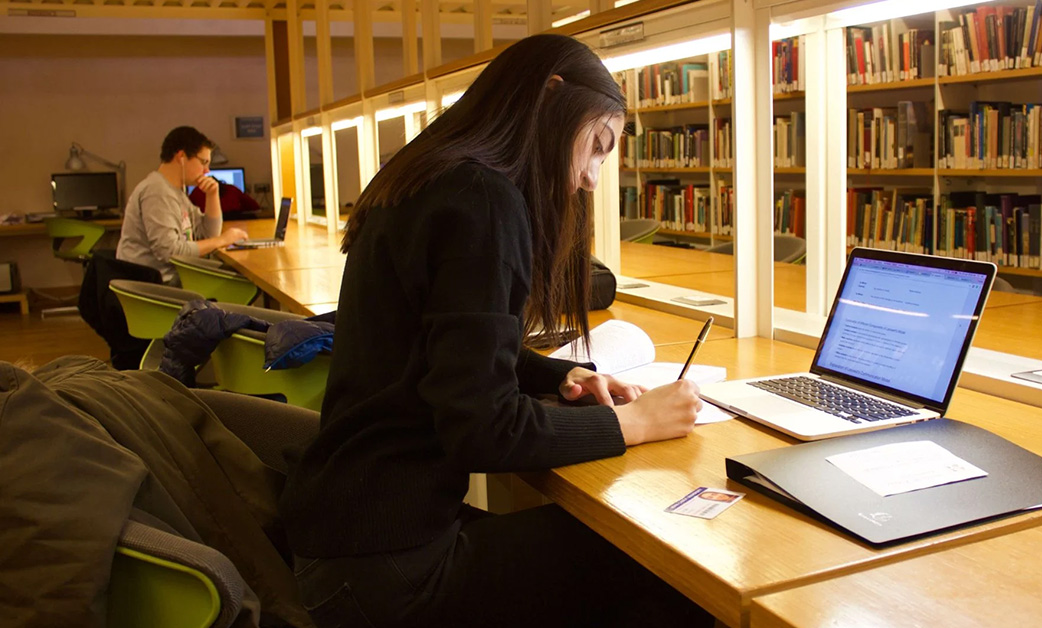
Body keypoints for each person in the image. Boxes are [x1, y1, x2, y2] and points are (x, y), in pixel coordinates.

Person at [280, 34, 713, 628]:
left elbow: (444, 351)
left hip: (349, 543)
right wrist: (632, 423)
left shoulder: (430, 177)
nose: (591, 178)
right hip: (389, 577)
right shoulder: (484, 201)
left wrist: (564, 375)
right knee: (666, 569)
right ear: (549, 100)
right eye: (596, 146)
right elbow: (482, 431)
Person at [116, 126, 248, 285]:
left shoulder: (177, 192)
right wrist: (222, 240)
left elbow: (207, 235)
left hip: (172, 279)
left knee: (237, 281)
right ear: (182, 157)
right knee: (240, 283)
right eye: (203, 162)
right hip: (157, 286)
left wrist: (212, 195)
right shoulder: (157, 191)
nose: (207, 170)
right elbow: (170, 252)